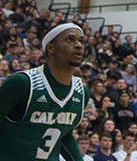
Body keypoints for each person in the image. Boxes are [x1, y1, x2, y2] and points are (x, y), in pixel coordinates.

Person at [0, 23, 91, 160]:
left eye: (81, 41)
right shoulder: (23, 83)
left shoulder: (82, 92)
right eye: (69, 40)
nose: (79, 45)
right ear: (50, 48)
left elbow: (64, 134)